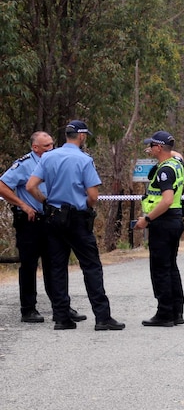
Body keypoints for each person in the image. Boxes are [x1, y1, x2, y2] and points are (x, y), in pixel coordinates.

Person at [25, 120, 125, 331]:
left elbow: (30, 186)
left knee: (57, 267)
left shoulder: (48, 157)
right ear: (81, 136)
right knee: (91, 267)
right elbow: (93, 196)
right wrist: (85, 207)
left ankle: (62, 317)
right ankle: (102, 317)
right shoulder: (84, 160)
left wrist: (45, 201)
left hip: (53, 218)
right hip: (77, 219)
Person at [0, 132, 85, 324]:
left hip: (52, 220)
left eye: (52, 144)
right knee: (29, 265)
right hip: (30, 221)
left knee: (56, 265)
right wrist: (22, 204)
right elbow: (2, 186)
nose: (50, 148)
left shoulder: (55, 161)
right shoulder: (24, 164)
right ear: (35, 148)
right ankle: (28, 309)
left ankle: (62, 307)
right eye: (46, 146)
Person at [135, 130, 184, 327]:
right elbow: (178, 154)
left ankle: (165, 313)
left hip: (163, 221)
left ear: (159, 147)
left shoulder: (166, 170)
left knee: (160, 269)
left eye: (152, 146)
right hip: (174, 220)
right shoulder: (176, 163)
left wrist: (146, 219)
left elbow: (166, 200)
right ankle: (176, 311)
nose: (149, 148)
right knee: (170, 266)